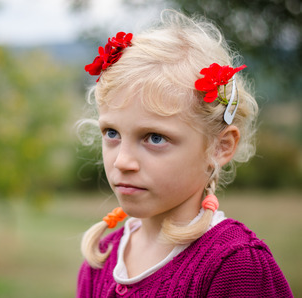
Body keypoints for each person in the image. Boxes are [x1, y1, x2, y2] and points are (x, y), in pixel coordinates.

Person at [77, 10, 292, 297]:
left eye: (155, 138)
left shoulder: (236, 266)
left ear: (220, 146)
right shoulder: (100, 259)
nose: (122, 161)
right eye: (112, 133)